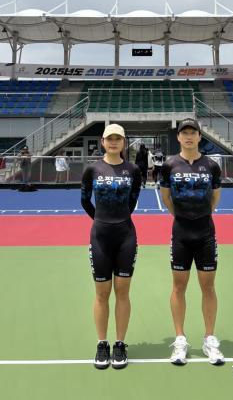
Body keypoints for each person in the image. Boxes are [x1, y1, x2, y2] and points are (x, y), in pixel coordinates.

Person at [159, 118, 224, 366]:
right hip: (181, 234)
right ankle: (180, 339)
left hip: (206, 233)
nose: (188, 137)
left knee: (208, 287)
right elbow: (166, 197)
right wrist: (182, 216)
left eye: (192, 133)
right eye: (184, 133)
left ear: (199, 137)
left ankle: (209, 339)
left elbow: (215, 197)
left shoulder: (211, 166)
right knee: (179, 287)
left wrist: (201, 215)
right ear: (178, 137)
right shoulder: (169, 165)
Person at [81, 124, 142, 370]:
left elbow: (133, 199)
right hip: (100, 237)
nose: (114, 142)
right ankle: (102, 343)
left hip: (126, 236)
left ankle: (119, 344)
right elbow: (85, 200)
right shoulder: (92, 169)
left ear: (124, 142)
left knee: (123, 292)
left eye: (118, 138)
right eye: (110, 138)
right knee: (101, 294)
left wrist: (119, 220)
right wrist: (100, 220)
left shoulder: (133, 170)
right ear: (103, 142)